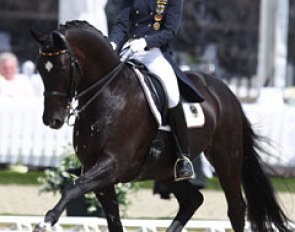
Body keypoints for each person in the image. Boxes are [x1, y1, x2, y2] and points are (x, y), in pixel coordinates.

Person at [109, 0, 204, 181]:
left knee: (172, 96)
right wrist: (113, 43)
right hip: (128, 49)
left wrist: (145, 41)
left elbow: (170, 31)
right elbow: (121, 23)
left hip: (154, 53)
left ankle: (183, 156)